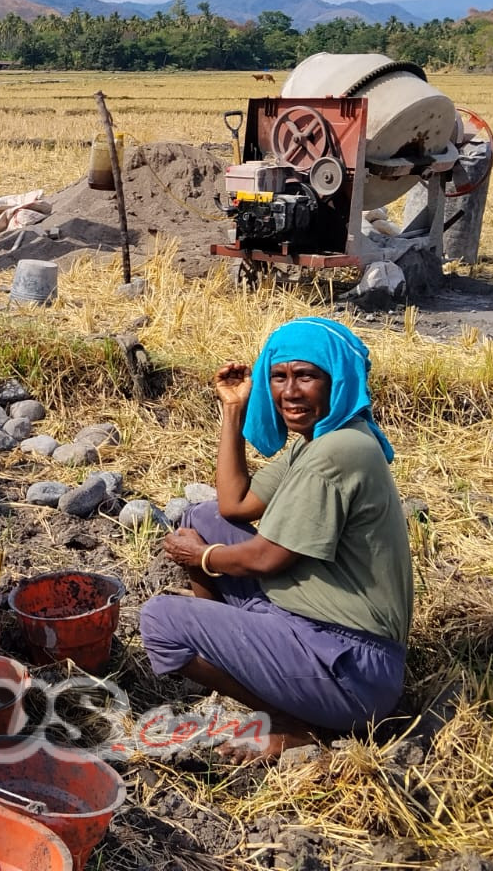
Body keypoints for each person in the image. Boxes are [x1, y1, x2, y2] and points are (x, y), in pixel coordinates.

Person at [138, 317, 414, 759]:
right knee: (202, 515)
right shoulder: (318, 440)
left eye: (306, 376)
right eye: (279, 376)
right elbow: (234, 504)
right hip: (321, 633)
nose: (289, 392)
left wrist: (204, 557)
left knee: (160, 620)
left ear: (336, 380)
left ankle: (294, 722)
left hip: (350, 668)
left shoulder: (336, 453)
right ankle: (247, 662)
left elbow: (267, 559)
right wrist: (233, 409)